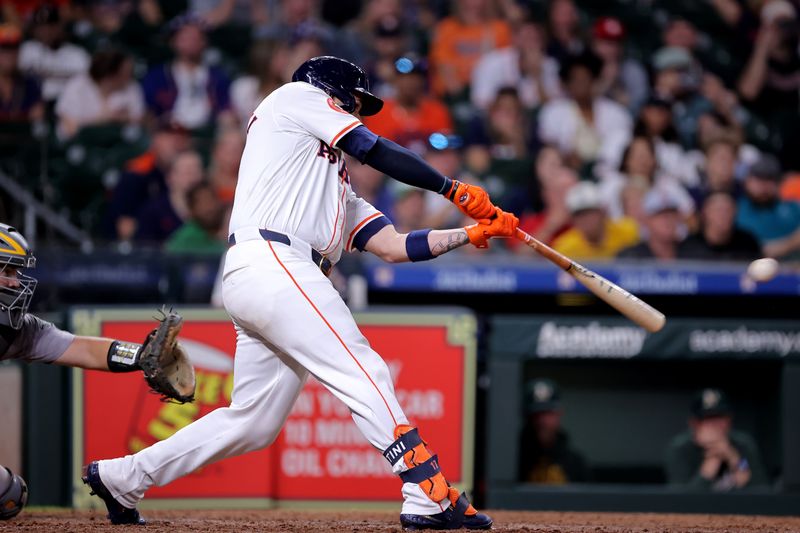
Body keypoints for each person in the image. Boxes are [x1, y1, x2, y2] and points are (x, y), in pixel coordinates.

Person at [83, 56, 515, 529]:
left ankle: (124, 476)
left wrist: (471, 234)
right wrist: (451, 187)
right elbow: (371, 147)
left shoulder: (325, 179)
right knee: (362, 366)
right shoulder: (294, 98)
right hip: (277, 263)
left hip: (268, 275)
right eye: (352, 101)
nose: (356, 111)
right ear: (328, 90)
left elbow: (393, 247)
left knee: (253, 422)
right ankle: (424, 487)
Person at [0, 223, 193, 521]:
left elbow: (82, 349)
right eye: (6, 272)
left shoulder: (16, 330)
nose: (15, 283)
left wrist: (141, 356)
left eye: (16, 273)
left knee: (7, 494)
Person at [538, 51, 632, 171]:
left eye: (585, 79)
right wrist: (564, 156)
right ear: (567, 84)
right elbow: (548, 147)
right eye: (575, 80)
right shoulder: (553, 111)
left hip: (608, 171)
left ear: (594, 81)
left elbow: (621, 148)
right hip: (566, 171)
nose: (580, 85)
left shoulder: (617, 113)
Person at [141, 15, 233, 131]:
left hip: (209, 130)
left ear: (204, 42)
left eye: (195, 38)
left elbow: (225, 107)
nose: (191, 43)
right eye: (185, 38)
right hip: (171, 130)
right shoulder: (158, 76)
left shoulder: (218, 76)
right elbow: (149, 111)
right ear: (173, 42)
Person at [664, 388, 769, 491]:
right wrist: (713, 458)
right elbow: (682, 500)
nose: (715, 425)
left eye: (720, 417)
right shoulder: (681, 448)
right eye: (708, 418)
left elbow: (759, 487)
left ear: (729, 420)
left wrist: (732, 456)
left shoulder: (742, 444)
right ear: (694, 423)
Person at [470, 17, 561, 111]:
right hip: (497, 118)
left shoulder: (549, 65)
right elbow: (480, 101)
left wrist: (537, 78)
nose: (531, 45)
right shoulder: (492, 62)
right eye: (527, 38)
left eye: (536, 39)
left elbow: (553, 109)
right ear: (515, 39)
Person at [362, 55, 452, 146]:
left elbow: (444, 152)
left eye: (416, 77)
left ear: (424, 81)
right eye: (405, 77)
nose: (411, 82)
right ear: (395, 80)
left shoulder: (437, 111)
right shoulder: (377, 111)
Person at [428, 0, 511, 98]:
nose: (474, 3)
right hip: (452, 94)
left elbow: (505, 67)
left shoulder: (500, 29)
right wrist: (461, 96)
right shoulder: (447, 28)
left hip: (489, 94)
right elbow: (444, 66)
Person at [55, 48, 144, 139]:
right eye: (124, 74)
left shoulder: (132, 86)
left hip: (118, 143)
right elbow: (70, 128)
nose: (128, 77)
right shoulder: (77, 85)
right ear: (110, 75)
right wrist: (104, 119)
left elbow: (138, 121)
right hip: (82, 142)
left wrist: (123, 118)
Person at [518, 378, 588, 484]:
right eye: (536, 414)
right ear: (527, 418)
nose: (542, 421)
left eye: (547, 413)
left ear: (559, 413)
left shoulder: (575, 463)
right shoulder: (514, 461)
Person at [18, 4, 90, 103]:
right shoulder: (27, 50)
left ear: (60, 26)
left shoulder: (77, 54)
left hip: (69, 105)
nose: (46, 31)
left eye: (51, 25)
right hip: (36, 104)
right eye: (41, 26)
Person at [552, 181, 639, 260]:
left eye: (590, 212)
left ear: (602, 212)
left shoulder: (628, 232)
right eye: (579, 215)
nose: (585, 219)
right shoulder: (565, 248)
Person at [736, 154, 800, 259]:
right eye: (759, 179)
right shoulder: (735, 208)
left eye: (770, 179)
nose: (764, 186)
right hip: (744, 267)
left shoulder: (793, 208)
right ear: (747, 181)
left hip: (792, 270)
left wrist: (783, 247)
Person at [135, 150, 205, 243]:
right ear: (170, 177)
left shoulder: (213, 211)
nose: (192, 177)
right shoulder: (152, 212)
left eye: (196, 171)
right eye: (187, 172)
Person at [679, 192, 761, 261]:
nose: (723, 215)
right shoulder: (690, 246)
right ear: (705, 213)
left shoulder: (747, 243)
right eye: (718, 210)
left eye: (728, 210)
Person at [590, 17, 648, 112]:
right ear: (595, 43)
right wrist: (606, 81)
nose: (613, 49)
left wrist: (615, 87)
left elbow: (639, 109)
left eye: (617, 43)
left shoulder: (632, 69)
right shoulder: (583, 67)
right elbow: (577, 105)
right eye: (608, 43)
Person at [617, 187, 685, 260]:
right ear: (646, 219)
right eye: (660, 214)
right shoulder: (629, 258)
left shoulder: (694, 253)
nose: (668, 219)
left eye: (672, 213)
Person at [165, 181, 227, 254]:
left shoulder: (228, 229)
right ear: (191, 209)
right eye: (202, 203)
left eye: (211, 199)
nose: (209, 207)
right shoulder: (186, 240)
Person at [0, 24, 42, 122]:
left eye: (13, 49)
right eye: (4, 50)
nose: (9, 56)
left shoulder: (30, 84)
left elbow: (37, 116)